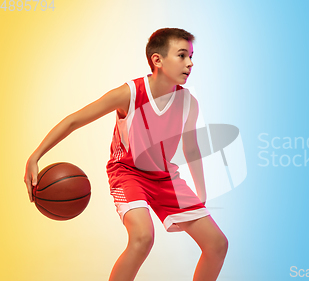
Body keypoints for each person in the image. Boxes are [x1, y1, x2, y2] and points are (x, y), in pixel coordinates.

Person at [24, 28, 228, 281]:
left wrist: (202, 192)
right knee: (143, 238)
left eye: (191, 56)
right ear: (157, 60)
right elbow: (74, 121)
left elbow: (191, 148)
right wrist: (35, 156)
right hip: (127, 174)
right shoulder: (130, 94)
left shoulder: (188, 102)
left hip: (165, 178)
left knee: (217, 244)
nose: (190, 62)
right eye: (182, 55)